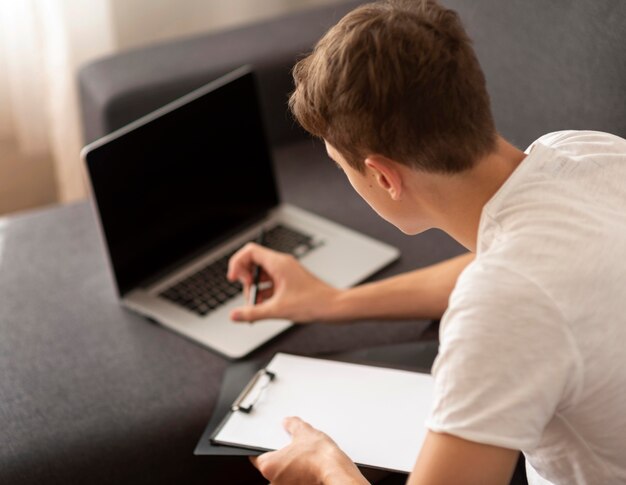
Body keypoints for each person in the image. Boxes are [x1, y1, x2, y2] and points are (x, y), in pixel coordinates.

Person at [226, 1, 626, 483]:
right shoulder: (587, 151)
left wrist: (327, 468)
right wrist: (332, 301)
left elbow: (511, 293)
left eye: (340, 166)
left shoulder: (503, 307)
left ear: (383, 176)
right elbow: (516, 271)